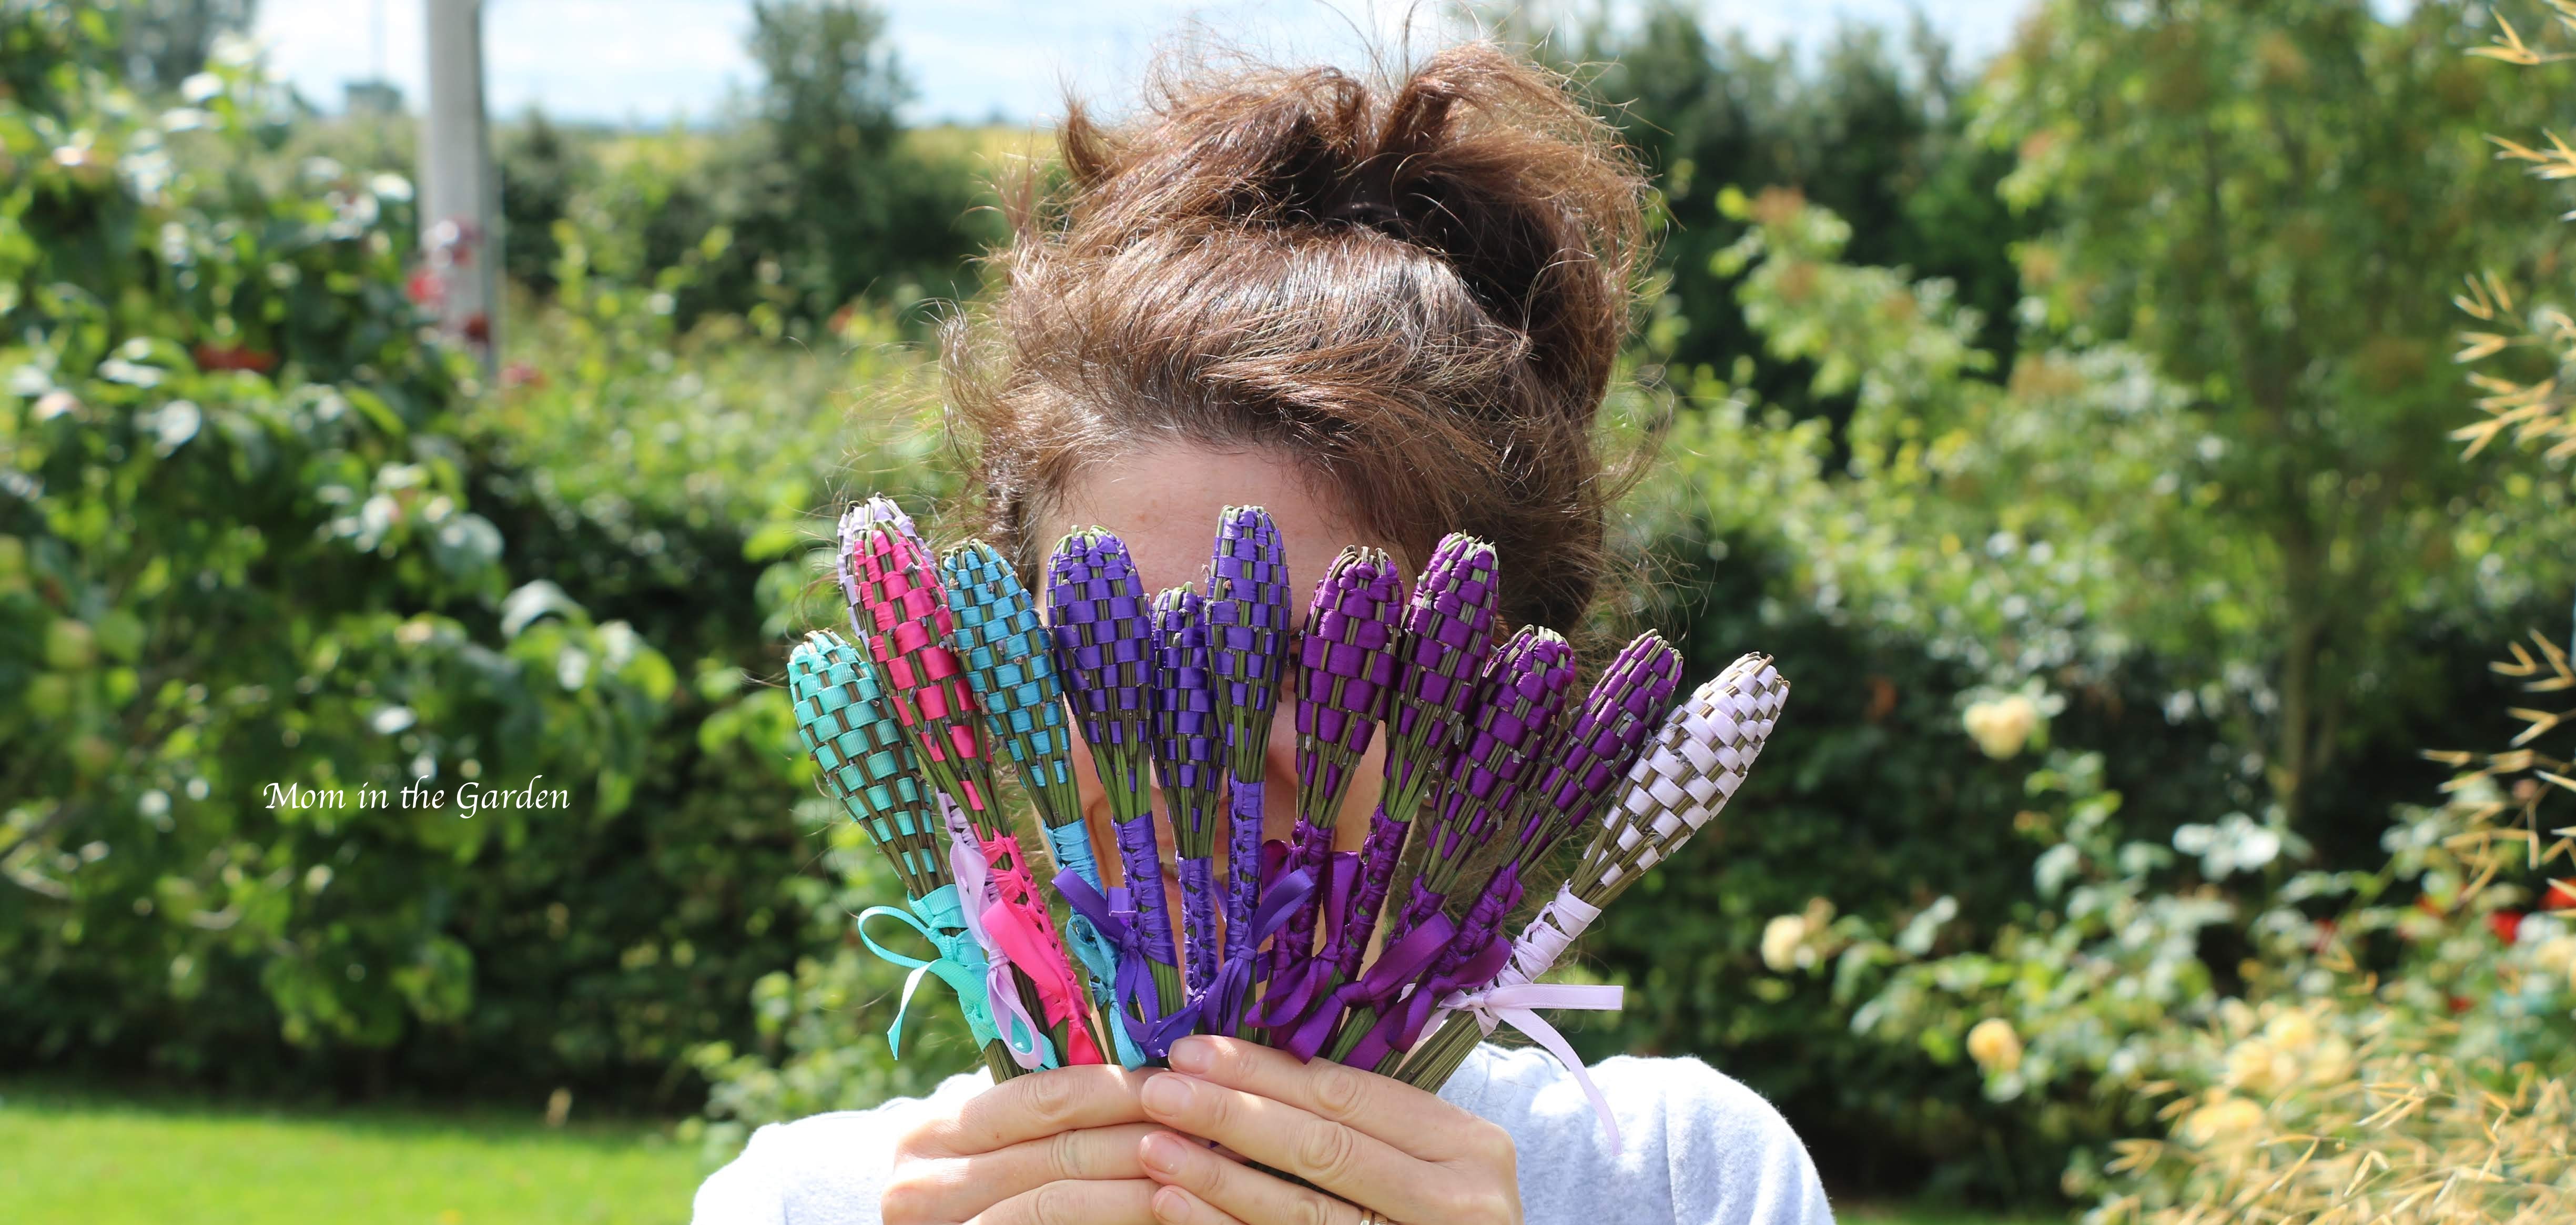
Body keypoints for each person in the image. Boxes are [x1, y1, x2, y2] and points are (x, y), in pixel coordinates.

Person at [694, 39, 1837, 1225]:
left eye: (1316, 662)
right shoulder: (804, 1203)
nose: (1211, 746)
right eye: (1109, 662)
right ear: (1000, 674)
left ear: (1497, 705)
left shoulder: (1676, 1180)